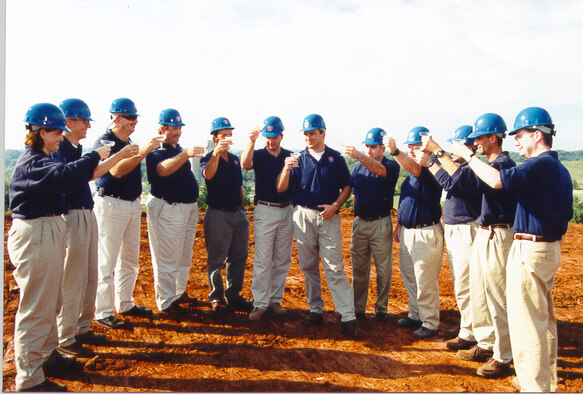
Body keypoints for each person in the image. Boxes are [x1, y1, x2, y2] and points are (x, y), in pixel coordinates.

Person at [452, 107, 572, 391]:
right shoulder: (560, 169)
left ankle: (535, 387)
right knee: (543, 322)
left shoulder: (539, 165)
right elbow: (565, 216)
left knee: (527, 324)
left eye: (520, 135)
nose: (515, 141)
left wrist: (469, 156)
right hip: (547, 247)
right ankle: (544, 382)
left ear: (537, 134)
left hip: (530, 248)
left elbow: (496, 180)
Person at [7, 103, 109, 391]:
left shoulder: (43, 158)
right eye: (56, 133)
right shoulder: (33, 162)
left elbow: (66, 173)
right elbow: (67, 176)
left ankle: (48, 357)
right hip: (35, 233)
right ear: (40, 132)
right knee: (38, 306)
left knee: (52, 300)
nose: (60, 138)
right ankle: (29, 379)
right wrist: (93, 156)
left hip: (47, 229)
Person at [52, 98, 137, 358]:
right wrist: (115, 156)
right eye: (83, 120)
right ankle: (66, 338)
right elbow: (81, 175)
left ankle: (80, 328)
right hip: (72, 215)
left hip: (85, 212)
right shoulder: (61, 149)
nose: (88, 125)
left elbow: (92, 172)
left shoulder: (75, 148)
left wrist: (119, 155)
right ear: (69, 122)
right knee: (73, 279)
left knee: (88, 275)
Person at [277, 113, 360, 338]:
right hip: (302, 215)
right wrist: (285, 168)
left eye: (313, 133)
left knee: (334, 267)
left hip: (328, 217)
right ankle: (316, 310)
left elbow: (346, 187)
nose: (309, 137)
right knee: (308, 266)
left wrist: (335, 206)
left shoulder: (335, 158)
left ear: (323, 133)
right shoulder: (297, 159)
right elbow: (282, 188)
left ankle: (347, 315)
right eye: (306, 134)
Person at [449, 113, 517, 379]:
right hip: (485, 232)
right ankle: (487, 344)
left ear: (493, 137)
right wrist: (439, 155)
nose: (475, 142)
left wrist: (466, 157)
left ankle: (504, 356)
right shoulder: (486, 164)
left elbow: (493, 180)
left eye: (479, 137)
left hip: (499, 234)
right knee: (481, 292)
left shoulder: (504, 163)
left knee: (498, 297)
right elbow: (458, 181)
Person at [93, 98, 163, 329]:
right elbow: (117, 171)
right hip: (111, 205)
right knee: (107, 261)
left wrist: (138, 151)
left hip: (131, 205)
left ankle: (124, 302)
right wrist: (142, 151)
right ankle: (102, 311)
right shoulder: (106, 142)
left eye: (135, 118)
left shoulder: (129, 142)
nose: (134, 122)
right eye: (130, 118)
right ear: (117, 118)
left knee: (130, 259)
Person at [419, 125, 481, 350]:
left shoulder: (470, 169)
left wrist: (436, 154)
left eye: (457, 144)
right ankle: (469, 325)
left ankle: (470, 333)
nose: (453, 149)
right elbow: (447, 181)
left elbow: (453, 180)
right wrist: (431, 163)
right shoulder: (461, 169)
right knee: (461, 282)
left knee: (467, 283)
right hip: (457, 228)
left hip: (467, 229)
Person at [385, 127, 444, 339]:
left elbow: (417, 169)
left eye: (417, 147)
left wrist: (395, 151)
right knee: (410, 275)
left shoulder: (431, 168)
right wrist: (400, 225)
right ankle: (415, 313)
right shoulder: (410, 175)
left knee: (425, 279)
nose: (413, 151)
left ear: (427, 148)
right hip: (409, 232)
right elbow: (405, 201)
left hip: (426, 232)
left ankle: (430, 322)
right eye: (410, 147)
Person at [146, 109, 205, 316]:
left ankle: (179, 293)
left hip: (187, 208)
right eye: (174, 128)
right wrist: (186, 154)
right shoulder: (156, 150)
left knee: (183, 255)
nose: (178, 132)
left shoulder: (176, 149)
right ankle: (166, 301)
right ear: (162, 128)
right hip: (169, 208)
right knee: (167, 257)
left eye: (179, 128)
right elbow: (162, 170)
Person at [343, 128, 400, 322]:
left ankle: (381, 309)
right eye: (367, 146)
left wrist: (358, 155)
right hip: (361, 222)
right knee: (359, 269)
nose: (369, 150)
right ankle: (358, 308)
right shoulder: (357, 168)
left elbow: (379, 170)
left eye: (373, 147)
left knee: (383, 269)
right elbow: (355, 194)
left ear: (382, 148)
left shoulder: (391, 166)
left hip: (381, 222)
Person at [241, 116, 294, 321]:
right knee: (263, 259)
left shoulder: (289, 156)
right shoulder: (259, 154)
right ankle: (260, 303)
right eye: (267, 137)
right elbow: (246, 164)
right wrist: (251, 141)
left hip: (286, 209)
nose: (270, 141)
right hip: (266, 209)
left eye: (274, 137)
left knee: (282, 258)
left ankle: (275, 300)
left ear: (281, 136)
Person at [200, 117, 253, 313]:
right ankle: (216, 297)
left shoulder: (234, 159)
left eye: (229, 135)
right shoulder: (208, 158)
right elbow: (208, 175)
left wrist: (242, 209)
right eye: (224, 135)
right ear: (214, 138)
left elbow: (239, 185)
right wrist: (215, 153)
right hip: (218, 214)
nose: (228, 138)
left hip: (236, 214)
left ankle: (234, 294)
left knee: (239, 256)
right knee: (216, 258)